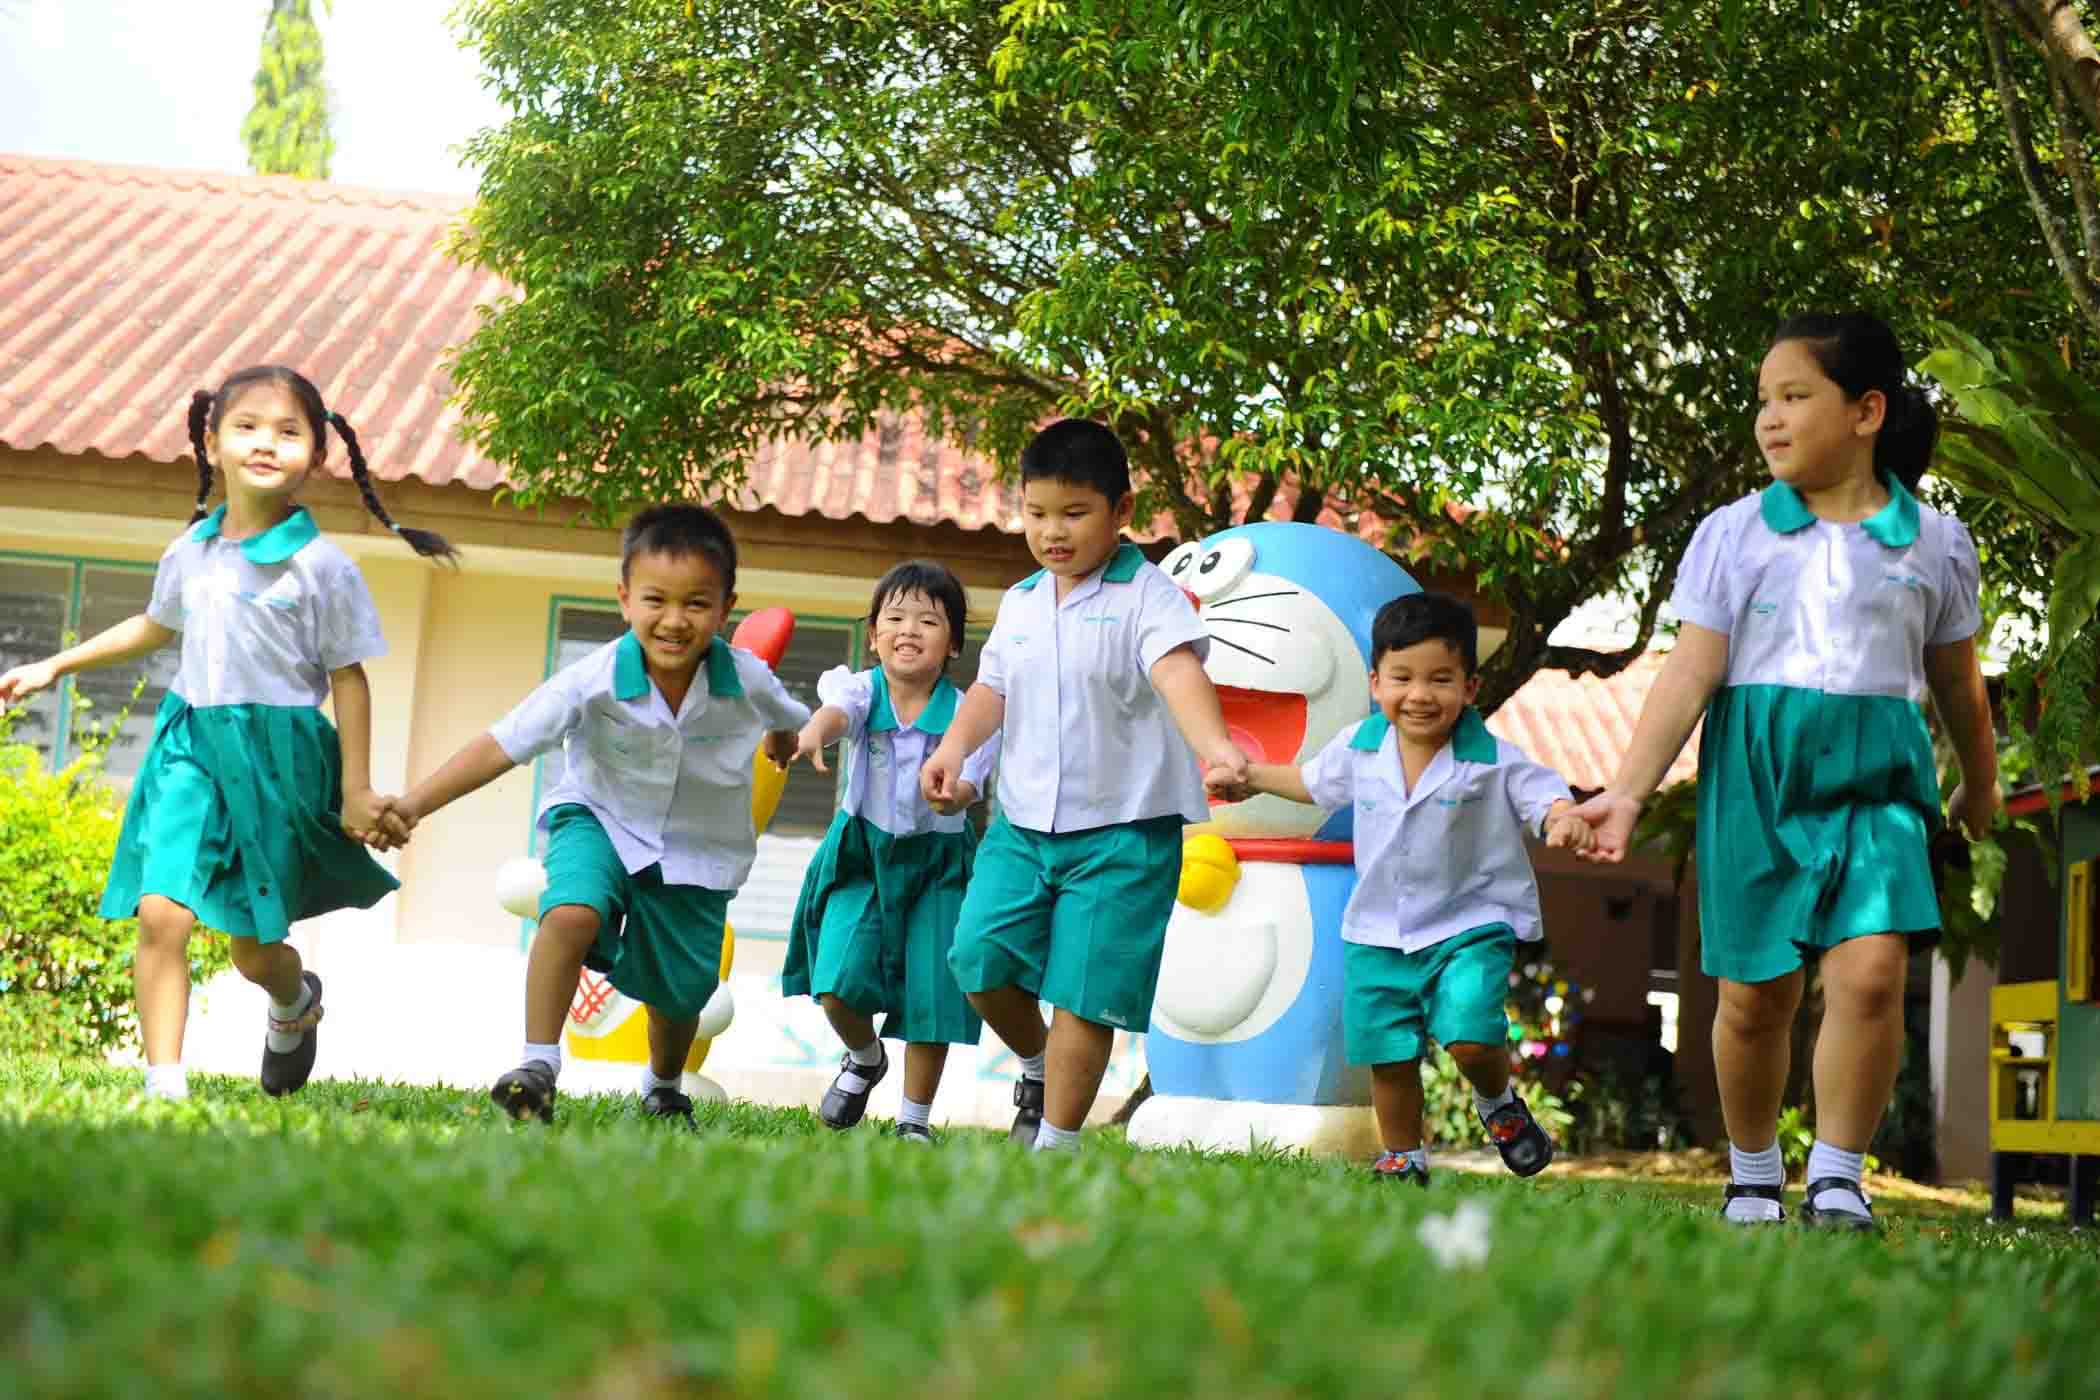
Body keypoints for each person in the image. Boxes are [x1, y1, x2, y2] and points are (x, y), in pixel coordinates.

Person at [1571, 312, 1998, 1230]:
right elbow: (1691, 669)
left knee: (1874, 975)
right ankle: (1755, 1171)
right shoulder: (1735, 534)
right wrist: (1627, 791)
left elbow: (1957, 681)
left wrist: (1982, 778)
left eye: (1795, 396)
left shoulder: (1934, 543)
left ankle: (1839, 1175)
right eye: (1763, 400)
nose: (1770, 418)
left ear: (1866, 411)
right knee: (1757, 996)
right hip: (1757, 779)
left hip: (1880, 779)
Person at [0, 365, 456, 1101]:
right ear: (212, 444)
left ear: (317, 452)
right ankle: (164, 1082)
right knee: (161, 912)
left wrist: (357, 788)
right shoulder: (191, 551)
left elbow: (349, 678)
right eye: (247, 427)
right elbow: (155, 625)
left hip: (279, 761)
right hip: (190, 745)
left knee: (254, 951)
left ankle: (292, 1001)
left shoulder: (323, 567)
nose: (266, 443)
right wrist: (56, 664)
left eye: (288, 431)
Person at [391, 503, 808, 1128]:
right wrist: (413, 804)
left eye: (697, 604)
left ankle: (664, 1086)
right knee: (571, 911)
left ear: (725, 609)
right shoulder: (590, 681)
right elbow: (500, 744)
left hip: (696, 847)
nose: (674, 620)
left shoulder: (745, 678)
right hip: (599, 818)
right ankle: (537, 1066)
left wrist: (778, 744)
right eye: (655, 600)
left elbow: (783, 714)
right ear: (624, 599)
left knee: (681, 992)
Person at [920, 419, 1250, 1152]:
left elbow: (1177, 672)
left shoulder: (1148, 595)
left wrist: (1216, 748)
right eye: (1036, 513)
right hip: (1022, 825)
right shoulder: (1023, 601)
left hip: (1126, 831)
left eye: (1074, 513)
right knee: (976, 957)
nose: (1052, 532)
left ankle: (1056, 1146)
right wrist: (953, 750)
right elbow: (991, 691)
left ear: (1121, 510)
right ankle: (1036, 1063)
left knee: (1084, 993)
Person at [1208, 591, 1592, 1183]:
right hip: (1377, 928)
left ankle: (1498, 1105)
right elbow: (1310, 782)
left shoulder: (1492, 759)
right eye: (1402, 678)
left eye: (1441, 679)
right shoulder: (1359, 749)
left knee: (1469, 1035)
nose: (1420, 694)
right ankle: (1403, 1156)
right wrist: (1250, 776)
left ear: (1468, 688)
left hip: (1470, 923)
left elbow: (1543, 794)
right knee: (1387, 1054)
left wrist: (1562, 819)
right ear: (1375, 682)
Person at [783, 561, 1000, 1141]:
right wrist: (809, 736)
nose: (908, 630)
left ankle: (913, 1121)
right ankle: (864, 1057)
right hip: (861, 856)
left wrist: (954, 796)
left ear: (953, 641)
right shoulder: (859, 689)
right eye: (894, 617)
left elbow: (970, 786)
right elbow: (835, 715)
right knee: (836, 981)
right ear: (874, 633)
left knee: (932, 994)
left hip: (939, 862)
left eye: (927, 620)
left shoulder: (969, 714)